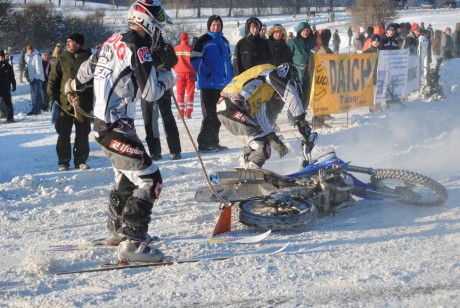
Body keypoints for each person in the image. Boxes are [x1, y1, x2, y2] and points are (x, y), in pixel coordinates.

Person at [67, 0, 174, 263]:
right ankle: (133, 242)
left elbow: (83, 72)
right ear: (146, 21)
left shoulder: (111, 41)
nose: (158, 31)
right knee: (150, 179)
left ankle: (117, 231)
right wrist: (167, 79)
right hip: (116, 127)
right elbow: (150, 92)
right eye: (157, 25)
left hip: (106, 126)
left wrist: (72, 85)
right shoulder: (137, 46)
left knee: (127, 178)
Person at [217, 63, 314, 169]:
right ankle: (250, 175)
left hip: (227, 107)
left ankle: (246, 165)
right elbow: (289, 92)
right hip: (232, 106)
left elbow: (261, 118)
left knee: (256, 143)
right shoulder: (273, 72)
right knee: (262, 147)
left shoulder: (261, 86)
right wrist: (301, 120)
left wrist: (274, 140)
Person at [47, 33, 93, 172]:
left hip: (83, 103)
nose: (67, 44)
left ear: (78, 44)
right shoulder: (62, 58)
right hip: (64, 104)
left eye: (70, 41)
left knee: (83, 133)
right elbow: (53, 80)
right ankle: (64, 161)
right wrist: (52, 98)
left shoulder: (89, 59)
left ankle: (80, 160)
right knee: (63, 133)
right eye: (67, 41)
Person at [191, 15, 234, 153]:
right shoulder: (203, 40)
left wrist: (231, 77)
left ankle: (214, 142)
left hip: (223, 85)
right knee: (209, 115)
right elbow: (194, 59)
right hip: (208, 84)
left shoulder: (225, 41)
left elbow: (228, 61)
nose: (216, 27)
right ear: (209, 25)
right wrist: (206, 72)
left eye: (218, 25)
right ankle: (203, 143)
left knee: (218, 115)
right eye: (214, 25)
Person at [142, 35, 182, 161]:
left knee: (167, 117)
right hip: (147, 85)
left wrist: (159, 50)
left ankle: (175, 150)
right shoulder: (141, 46)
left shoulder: (165, 46)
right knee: (149, 119)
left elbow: (173, 61)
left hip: (163, 84)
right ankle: (154, 152)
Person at [266, 23, 293, 130]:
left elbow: (290, 61)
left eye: (280, 32)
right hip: (268, 77)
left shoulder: (285, 46)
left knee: (279, 102)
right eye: (276, 32)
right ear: (272, 33)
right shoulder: (266, 44)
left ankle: (273, 119)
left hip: (282, 78)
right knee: (269, 101)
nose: (278, 34)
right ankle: (269, 122)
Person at [287, 22, 317, 114]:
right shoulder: (293, 42)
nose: (305, 32)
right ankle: (293, 116)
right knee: (296, 96)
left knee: (307, 95)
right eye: (303, 30)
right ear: (299, 31)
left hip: (309, 73)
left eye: (307, 30)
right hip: (296, 73)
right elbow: (288, 57)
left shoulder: (312, 43)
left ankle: (302, 114)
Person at [173, 32, 196, 119]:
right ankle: (188, 113)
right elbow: (195, 62)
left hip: (179, 74)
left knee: (180, 94)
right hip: (190, 74)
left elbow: (172, 61)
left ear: (181, 38)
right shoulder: (191, 49)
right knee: (190, 94)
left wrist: (176, 69)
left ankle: (180, 113)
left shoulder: (176, 49)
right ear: (188, 38)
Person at [26, 44, 45, 116]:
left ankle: (36, 110)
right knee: (33, 95)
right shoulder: (29, 57)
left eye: (30, 50)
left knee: (36, 95)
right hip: (32, 79)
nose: (29, 51)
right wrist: (30, 78)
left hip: (37, 79)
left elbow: (39, 69)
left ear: (32, 50)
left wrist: (35, 77)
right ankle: (35, 109)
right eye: (28, 50)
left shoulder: (36, 56)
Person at [0, 49, 16, 123]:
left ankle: (10, 117)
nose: (1, 58)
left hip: (6, 88)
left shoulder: (8, 66)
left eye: (2, 57)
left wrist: (14, 85)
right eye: (0, 57)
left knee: (8, 103)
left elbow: (12, 77)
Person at [46, 43, 63, 111]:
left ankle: (51, 108)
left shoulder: (51, 60)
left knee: (53, 96)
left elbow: (47, 71)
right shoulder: (63, 59)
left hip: (52, 80)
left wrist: (50, 78)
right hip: (61, 81)